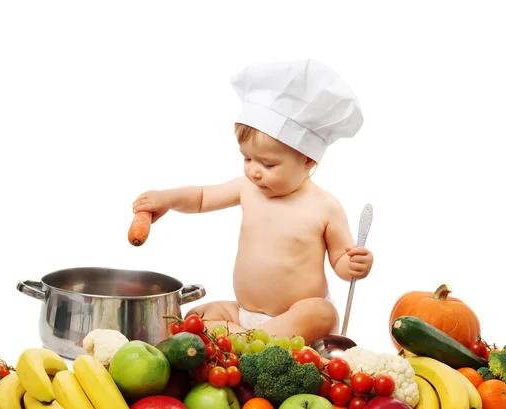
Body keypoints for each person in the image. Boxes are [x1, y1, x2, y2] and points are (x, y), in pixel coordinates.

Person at [132, 59, 374, 344]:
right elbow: (200, 198)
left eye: (269, 164)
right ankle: (249, 339)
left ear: (308, 159)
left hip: (296, 316)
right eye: (247, 158)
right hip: (244, 311)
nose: (254, 171)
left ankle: (243, 341)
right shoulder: (248, 189)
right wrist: (168, 199)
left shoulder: (324, 206)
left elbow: (340, 260)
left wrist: (354, 264)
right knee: (197, 314)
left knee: (322, 313)